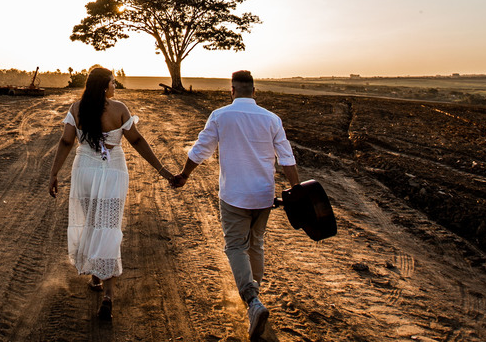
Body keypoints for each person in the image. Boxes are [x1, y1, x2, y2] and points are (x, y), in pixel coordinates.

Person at [172, 70, 300, 342]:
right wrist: (297, 191)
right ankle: (255, 296)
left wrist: (184, 175)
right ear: (254, 92)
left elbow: (200, 150)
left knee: (235, 246)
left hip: (234, 196)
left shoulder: (221, 115)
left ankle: (252, 302)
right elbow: (287, 159)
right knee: (256, 244)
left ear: (232, 91)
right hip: (263, 196)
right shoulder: (272, 119)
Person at [48, 66, 176, 321]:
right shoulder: (119, 109)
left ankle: (97, 274)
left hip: (84, 170)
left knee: (93, 222)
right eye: (113, 83)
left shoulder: (76, 109)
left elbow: (65, 142)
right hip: (112, 172)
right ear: (104, 86)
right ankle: (107, 295)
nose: (115, 86)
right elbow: (137, 141)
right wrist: (163, 170)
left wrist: (53, 174)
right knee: (108, 223)